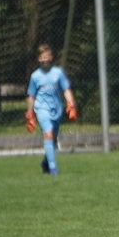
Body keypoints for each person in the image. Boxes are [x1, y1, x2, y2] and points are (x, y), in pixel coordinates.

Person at [26, 44, 77, 176]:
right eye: (41, 57)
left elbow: (66, 89)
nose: (44, 60)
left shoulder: (58, 73)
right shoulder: (35, 76)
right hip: (42, 109)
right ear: (38, 59)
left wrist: (71, 105)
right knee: (48, 134)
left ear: (51, 57)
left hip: (57, 109)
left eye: (46, 57)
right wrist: (30, 114)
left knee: (53, 140)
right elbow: (31, 96)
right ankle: (53, 168)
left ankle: (46, 162)